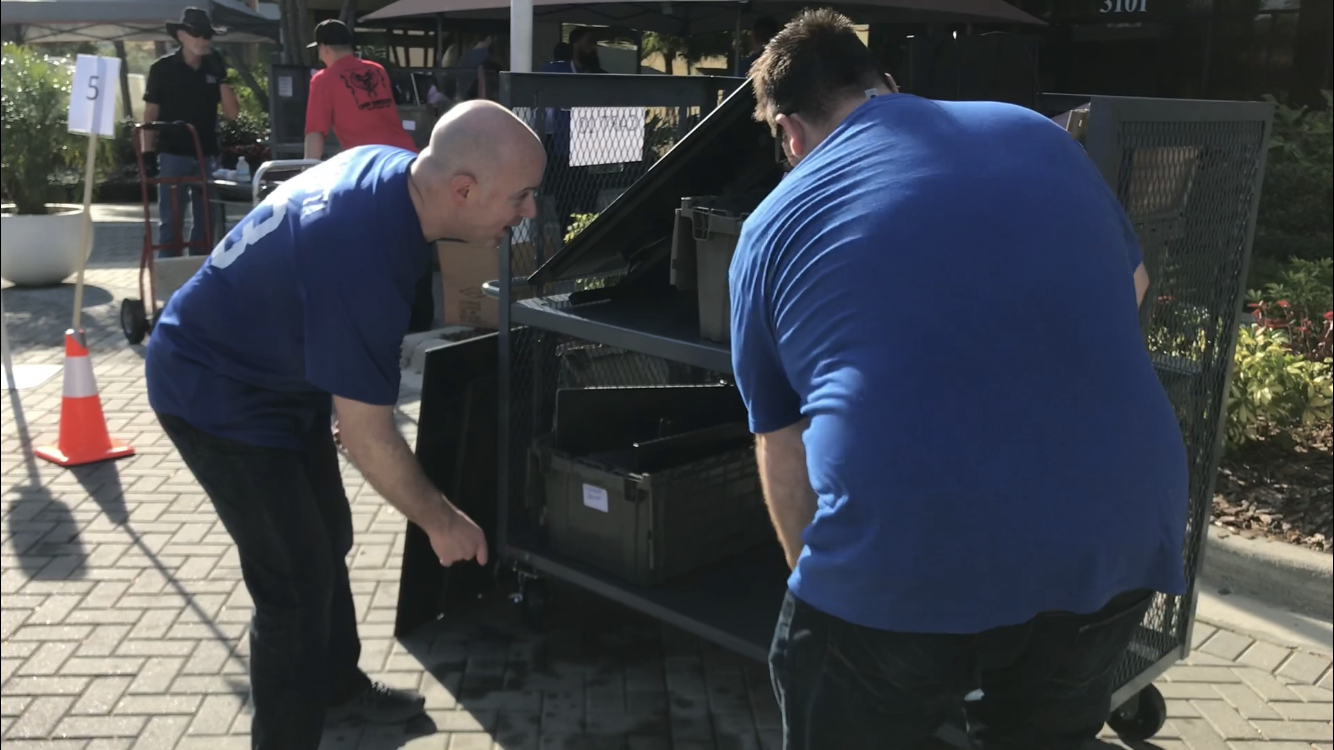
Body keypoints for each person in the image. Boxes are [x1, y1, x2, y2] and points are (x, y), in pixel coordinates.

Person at [730, 10, 1187, 749]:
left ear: (788, 132)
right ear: (889, 85)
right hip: (1122, 529)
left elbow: (781, 445)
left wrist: (831, 600)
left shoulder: (771, 224)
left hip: (906, 552)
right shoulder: (1035, 133)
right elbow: (1129, 287)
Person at [144, 101, 546, 750]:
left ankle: (336, 689)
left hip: (280, 381)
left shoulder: (396, 177)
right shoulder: (364, 250)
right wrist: (441, 520)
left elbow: (336, 344)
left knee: (328, 532)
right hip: (214, 394)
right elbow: (368, 437)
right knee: (293, 586)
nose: (528, 212)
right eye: (522, 197)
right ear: (464, 191)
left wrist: (350, 408)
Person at [142, 7, 240, 256]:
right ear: (182, 36)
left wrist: (222, 79)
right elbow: (151, 113)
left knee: (207, 224)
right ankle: (169, 282)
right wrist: (147, 154)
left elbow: (232, 113)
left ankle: (198, 280)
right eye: (196, 34)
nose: (202, 41)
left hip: (206, 155)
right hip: (172, 154)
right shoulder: (162, 69)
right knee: (171, 223)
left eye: (207, 35)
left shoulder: (213, 67)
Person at [304, 19, 418, 161]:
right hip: (405, 155)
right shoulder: (377, 70)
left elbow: (315, 133)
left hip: (369, 164)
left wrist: (307, 172)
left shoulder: (323, 80)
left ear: (324, 49)